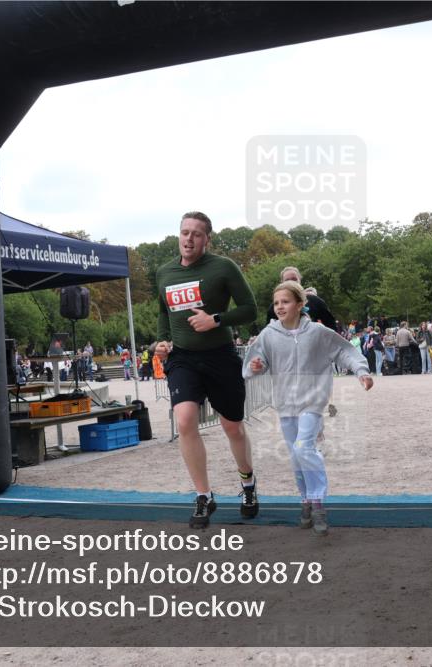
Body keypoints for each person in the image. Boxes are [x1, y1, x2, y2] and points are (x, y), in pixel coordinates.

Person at [154, 211, 259, 529]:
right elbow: (163, 310)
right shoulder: (164, 271)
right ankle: (204, 495)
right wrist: (162, 340)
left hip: (220, 356)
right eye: (184, 232)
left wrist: (215, 319)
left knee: (233, 427)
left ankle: (248, 484)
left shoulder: (223, 267)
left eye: (196, 234)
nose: (188, 238)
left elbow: (250, 309)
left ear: (206, 239)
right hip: (183, 358)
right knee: (185, 420)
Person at [244, 280, 373, 535]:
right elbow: (254, 363)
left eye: (286, 302)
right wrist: (255, 367)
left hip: (313, 401)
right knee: (295, 455)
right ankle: (305, 500)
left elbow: (344, 352)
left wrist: (361, 371)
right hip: (284, 404)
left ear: (300, 305)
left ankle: (318, 503)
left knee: (304, 448)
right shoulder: (268, 335)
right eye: (277, 302)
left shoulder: (317, 332)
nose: (280, 307)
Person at [264, 266, 338, 333]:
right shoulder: (275, 307)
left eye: (294, 279)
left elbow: (331, 327)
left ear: (300, 281)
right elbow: (269, 331)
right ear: (282, 283)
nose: (291, 282)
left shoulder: (315, 301)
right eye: (287, 280)